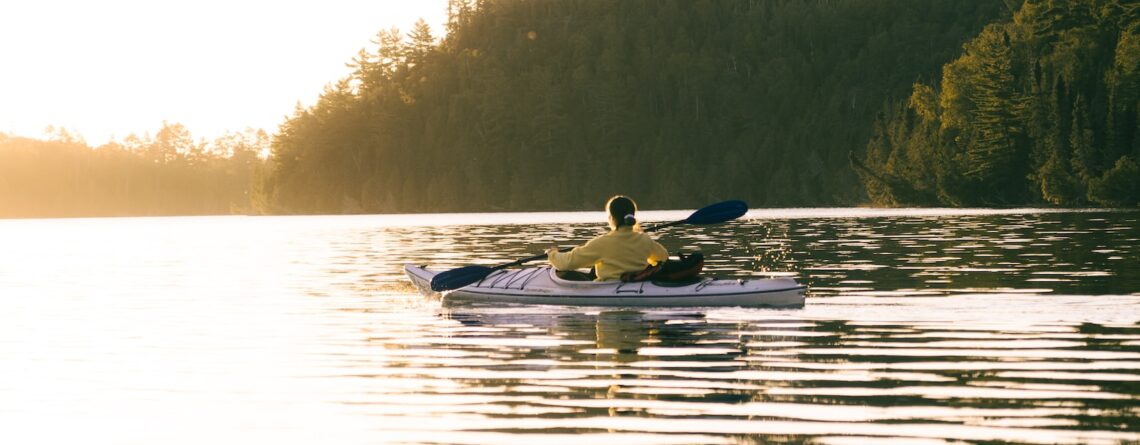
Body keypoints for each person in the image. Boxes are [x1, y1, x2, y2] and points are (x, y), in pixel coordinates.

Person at [546, 195, 703, 282]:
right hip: (637, 282)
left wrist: (552, 253)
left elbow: (566, 263)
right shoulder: (644, 240)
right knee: (594, 270)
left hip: (608, 289)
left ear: (611, 217)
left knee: (566, 273)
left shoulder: (602, 243)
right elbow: (663, 257)